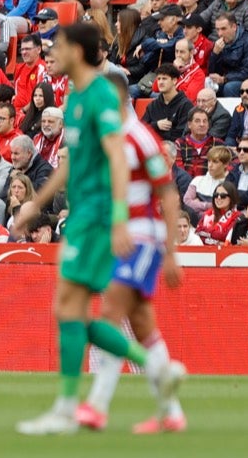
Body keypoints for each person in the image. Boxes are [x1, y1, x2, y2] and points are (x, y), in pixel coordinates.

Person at [14, 22, 184, 436]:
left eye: (58, 45)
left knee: (81, 311)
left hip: (107, 221)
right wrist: (36, 203)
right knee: (122, 317)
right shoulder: (74, 98)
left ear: (77, 50)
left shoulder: (105, 101)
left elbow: (120, 162)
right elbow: (73, 162)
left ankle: (77, 408)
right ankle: (159, 378)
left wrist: (123, 220)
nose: (51, 52)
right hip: (90, 216)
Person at [77, 84, 186, 434]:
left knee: (109, 315)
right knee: (142, 326)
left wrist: (171, 252)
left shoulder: (141, 138)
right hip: (118, 238)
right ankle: (171, 412)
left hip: (143, 239)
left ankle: (96, 406)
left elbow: (168, 196)